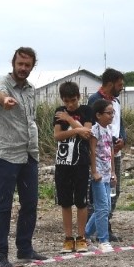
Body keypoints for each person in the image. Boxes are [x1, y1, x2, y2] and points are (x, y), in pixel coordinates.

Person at [0, 46, 48, 267]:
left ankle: (25, 248)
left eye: (27, 65)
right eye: (20, 64)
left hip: (29, 154)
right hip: (7, 155)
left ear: (33, 66)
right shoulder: (1, 85)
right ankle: (1, 255)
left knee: (30, 203)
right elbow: (0, 94)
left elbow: (30, 120)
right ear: (13, 63)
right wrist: (5, 101)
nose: (23, 68)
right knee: (3, 206)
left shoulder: (31, 90)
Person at [52, 81, 94, 252]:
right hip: (63, 163)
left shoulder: (86, 111)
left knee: (81, 201)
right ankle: (68, 237)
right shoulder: (57, 112)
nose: (70, 104)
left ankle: (81, 236)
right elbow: (57, 135)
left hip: (81, 162)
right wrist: (77, 130)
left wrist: (70, 121)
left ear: (79, 97)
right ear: (62, 99)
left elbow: (87, 133)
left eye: (73, 100)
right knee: (66, 201)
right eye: (66, 101)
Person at [87, 69, 126, 240]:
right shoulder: (95, 101)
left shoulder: (116, 102)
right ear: (110, 83)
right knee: (98, 197)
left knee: (112, 193)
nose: (121, 88)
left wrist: (122, 139)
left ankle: (104, 227)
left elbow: (120, 123)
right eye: (120, 84)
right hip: (99, 157)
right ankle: (98, 232)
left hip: (113, 154)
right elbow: (93, 129)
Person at [86, 99, 116, 252]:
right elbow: (92, 151)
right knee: (102, 207)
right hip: (98, 175)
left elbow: (110, 151)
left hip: (106, 173)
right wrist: (94, 171)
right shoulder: (95, 130)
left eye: (113, 113)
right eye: (108, 113)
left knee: (106, 207)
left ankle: (86, 233)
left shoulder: (109, 129)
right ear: (98, 115)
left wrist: (113, 172)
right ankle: (103, 240)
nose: (111, 116)